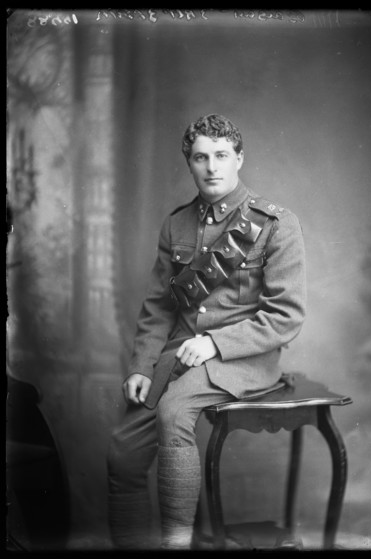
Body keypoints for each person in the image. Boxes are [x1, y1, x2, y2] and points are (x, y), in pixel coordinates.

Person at [107, 114, 306, 550]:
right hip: (178, 353)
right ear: (190, 163)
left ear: (239, 159)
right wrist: (142, 365)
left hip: (244, 358)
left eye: (221, 156)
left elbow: (286, 315)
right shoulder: (175, 225)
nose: (212, 167)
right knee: (123, 449)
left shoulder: (276, 224)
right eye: (201, 157)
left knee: (174, 411)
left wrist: (215, 342)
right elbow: (159, 306)